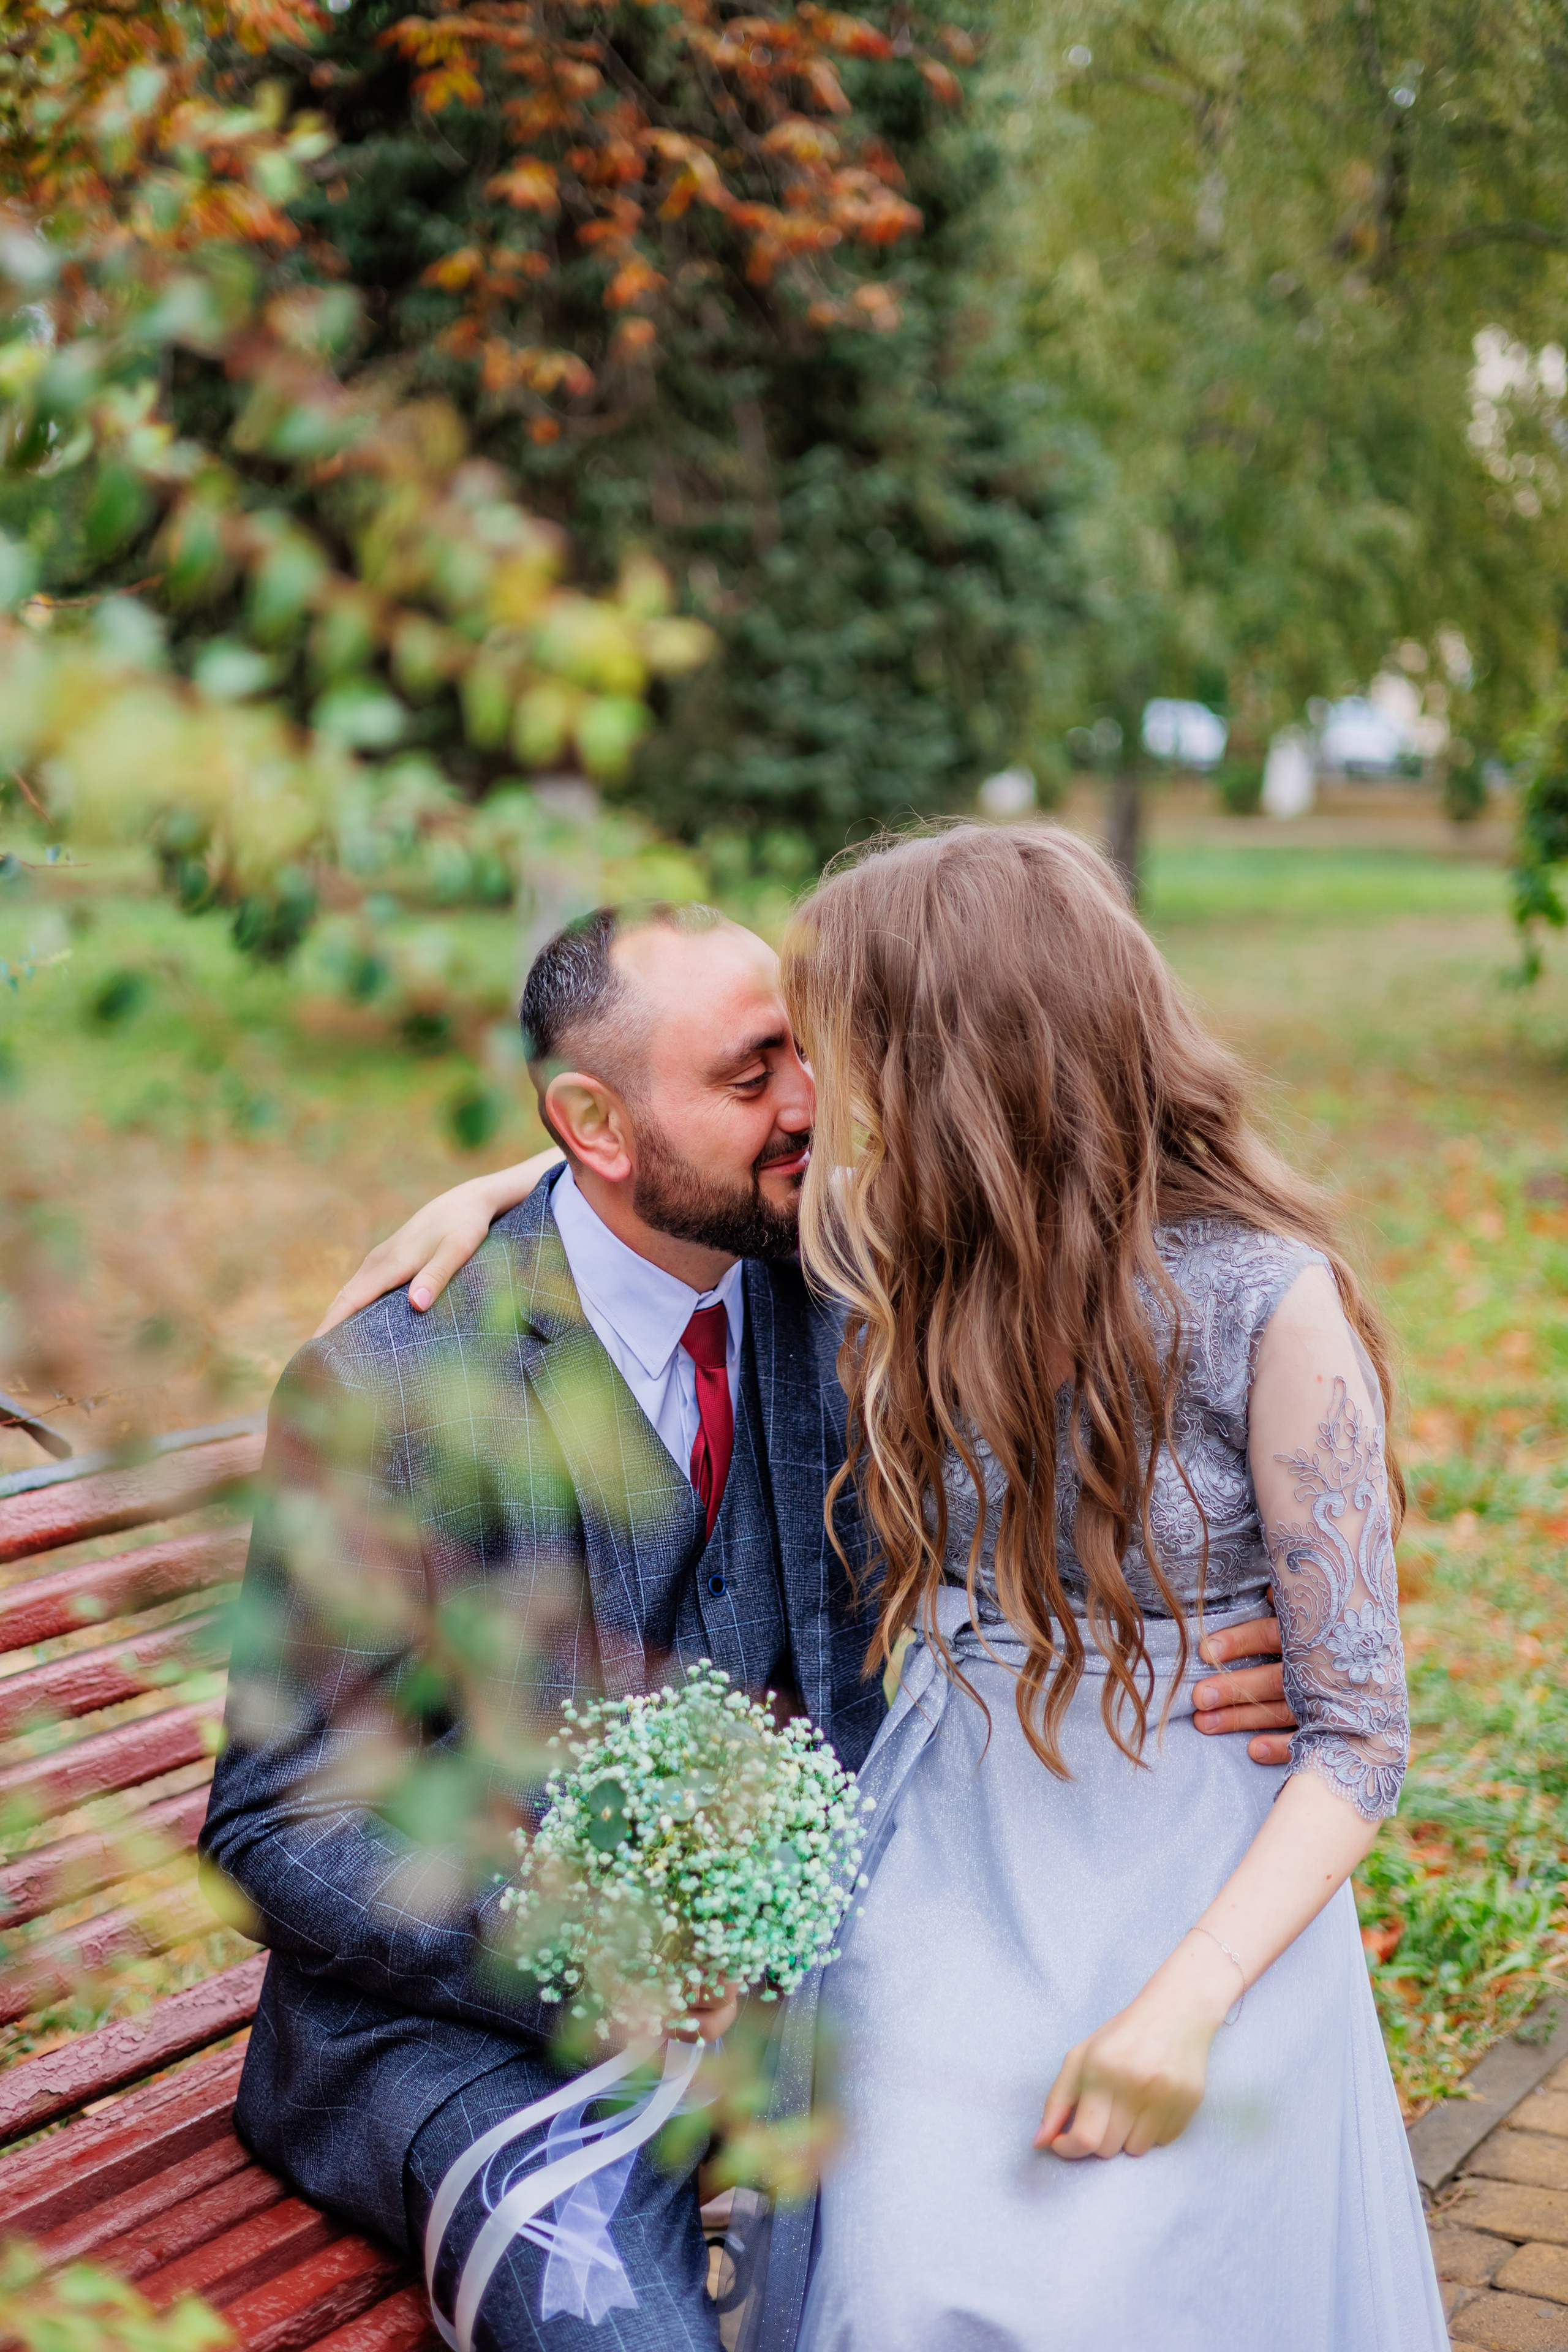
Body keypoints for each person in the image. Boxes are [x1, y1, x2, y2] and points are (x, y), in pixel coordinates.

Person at [284, 888, 1303, 2352]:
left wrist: (1243, 1624)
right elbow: (283, 1822)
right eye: (750, 1076)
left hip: (819, 1976)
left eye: (804, 1054)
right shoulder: (393, 1388)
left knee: (1061, 2230)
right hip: (467, 2037)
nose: (814, 1107)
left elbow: (1110, 1217)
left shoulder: (841, 1287)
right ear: (598, 1124)